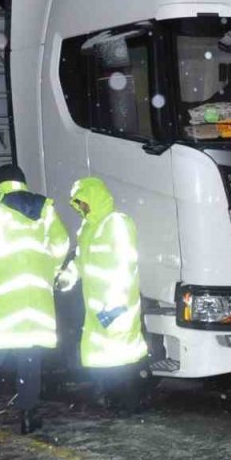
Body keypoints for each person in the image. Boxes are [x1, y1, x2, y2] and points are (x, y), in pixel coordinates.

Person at [0, 165, 69, 439]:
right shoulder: (45, 208)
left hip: (1, 300)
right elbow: (62, 243)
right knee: (29, 358)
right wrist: (49, 271)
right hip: (35, 301)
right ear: (23, 183)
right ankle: (29, 416)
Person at [57, 177, 150, 414]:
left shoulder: (116, 223)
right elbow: (80, 260)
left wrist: (115, 300)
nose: (82, 207)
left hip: (118, 303)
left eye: (83, 201)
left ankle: (129, 401)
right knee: (106, 355)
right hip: (97, 306)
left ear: (95, 197)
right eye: (78, 203)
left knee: (125, 354)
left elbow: (125, 262)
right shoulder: (87, 229)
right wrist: (68, 276)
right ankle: (114, 398)